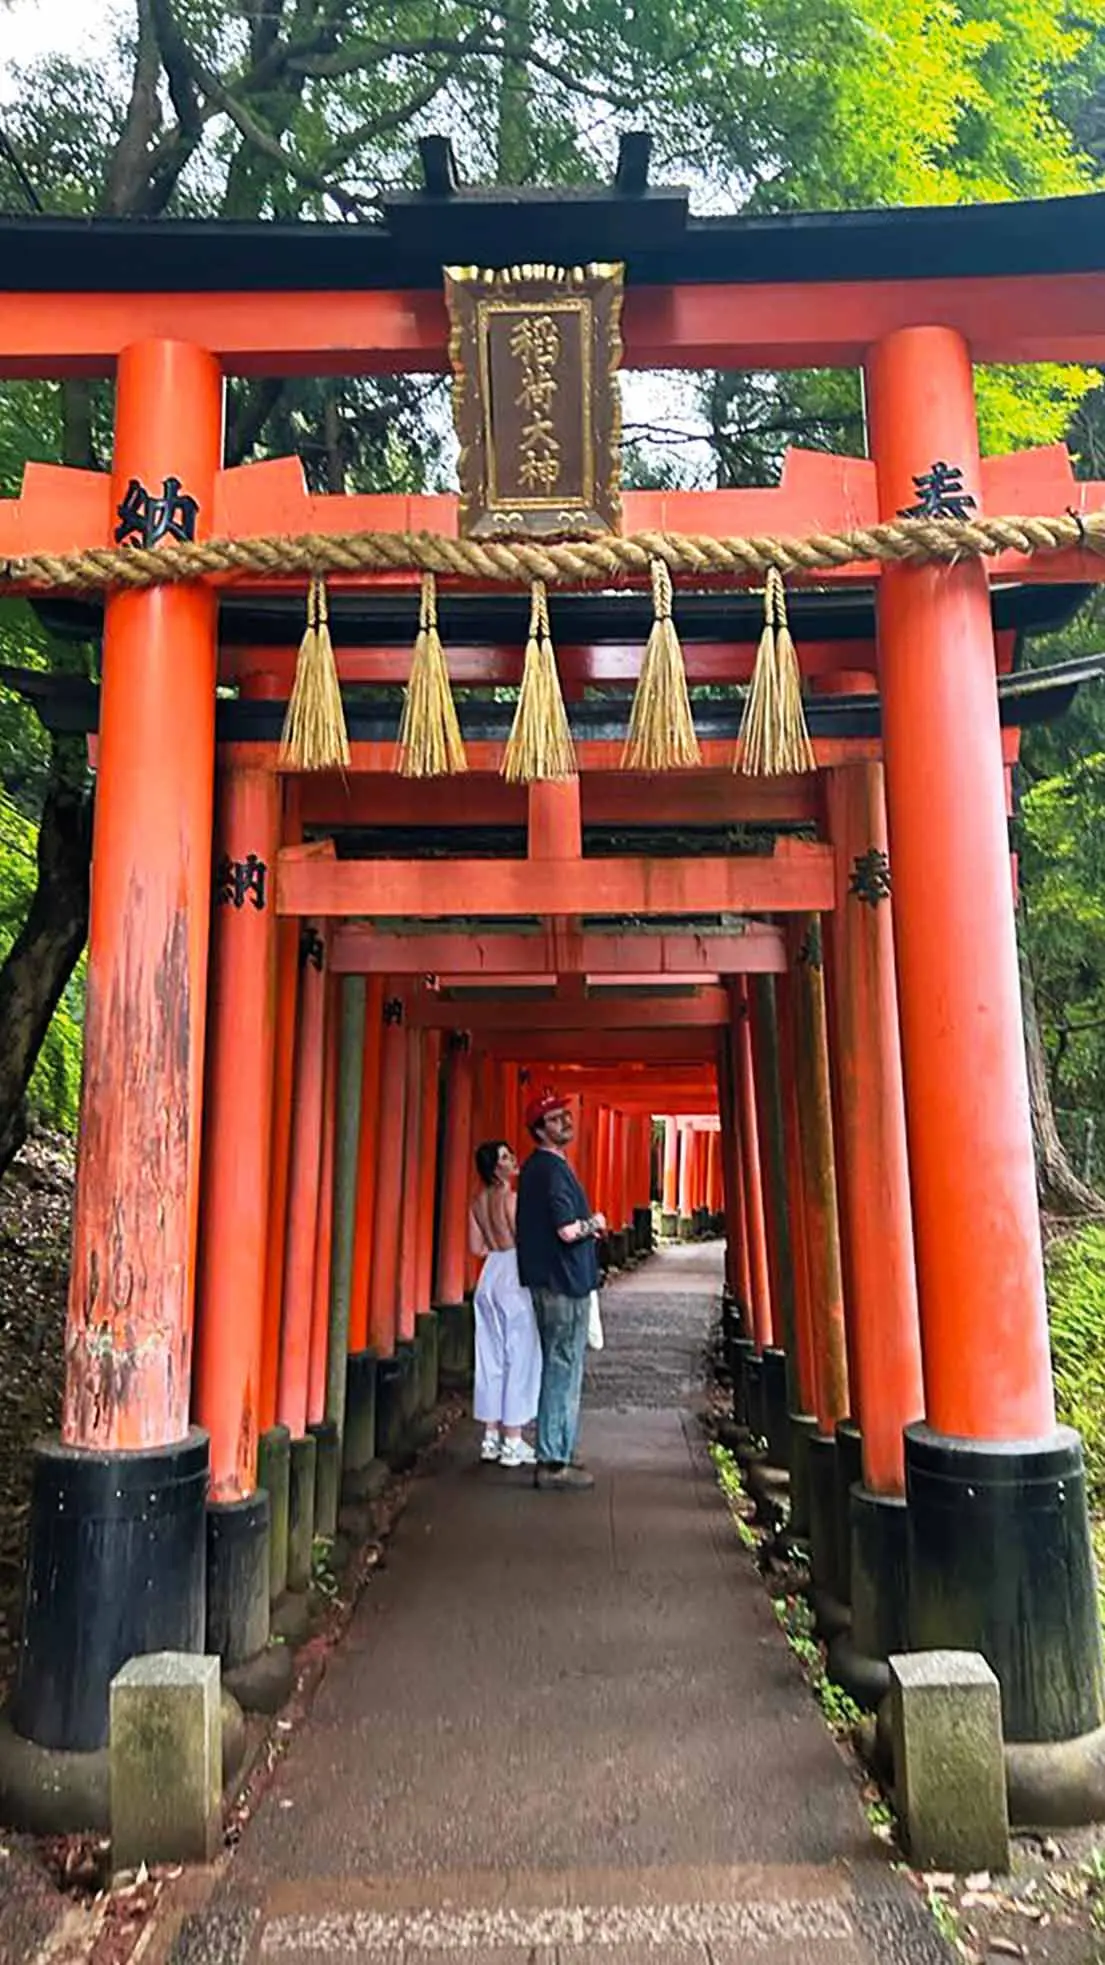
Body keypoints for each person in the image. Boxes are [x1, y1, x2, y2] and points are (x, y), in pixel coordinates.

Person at [515, 1090, 605, 1493]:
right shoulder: (552, 1172)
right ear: (539, 1130)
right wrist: (595, 1223)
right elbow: (567, 1230)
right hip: (564, 1282)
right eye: (554, 1118)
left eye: (565, 1115)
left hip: (547, 1279)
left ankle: (560, 1450)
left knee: (559, 1364)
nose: (565, 1122)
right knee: (562, 1368)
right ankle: (553, 1459)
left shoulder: (537, 1169)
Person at [469, 1140, 542, 1468]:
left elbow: (476, 1247)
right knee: (520, 1356)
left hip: (490, 1275)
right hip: (514, 1273)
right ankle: (513, 1440)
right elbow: (525, 1241)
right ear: (494, 1168)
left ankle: (490, 1437)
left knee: (490, 1357)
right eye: (504, 1157)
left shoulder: (477, 1203)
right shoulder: (512, 1200)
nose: (512, 1160)